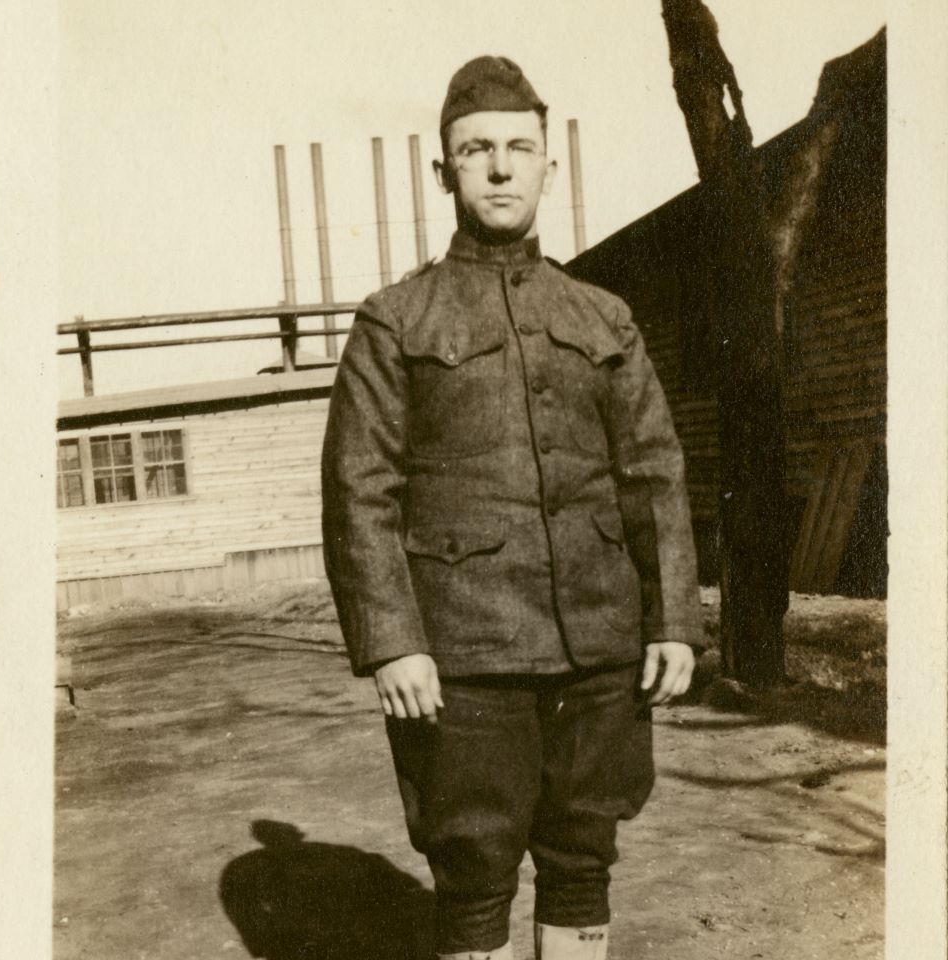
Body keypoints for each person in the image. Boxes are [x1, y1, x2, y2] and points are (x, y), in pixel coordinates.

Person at [321, 55, 702, 960]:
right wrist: (392, 640)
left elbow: (653, 473)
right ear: (443, 170)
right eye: (476, 150)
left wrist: (673, 621)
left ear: (548, 167)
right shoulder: (396, 320)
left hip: (600, 647)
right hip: (464, 657)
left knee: (582, 854)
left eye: (519, 149)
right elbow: (359, 487)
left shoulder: (604, 316)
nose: (499, 168)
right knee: (473, 864)